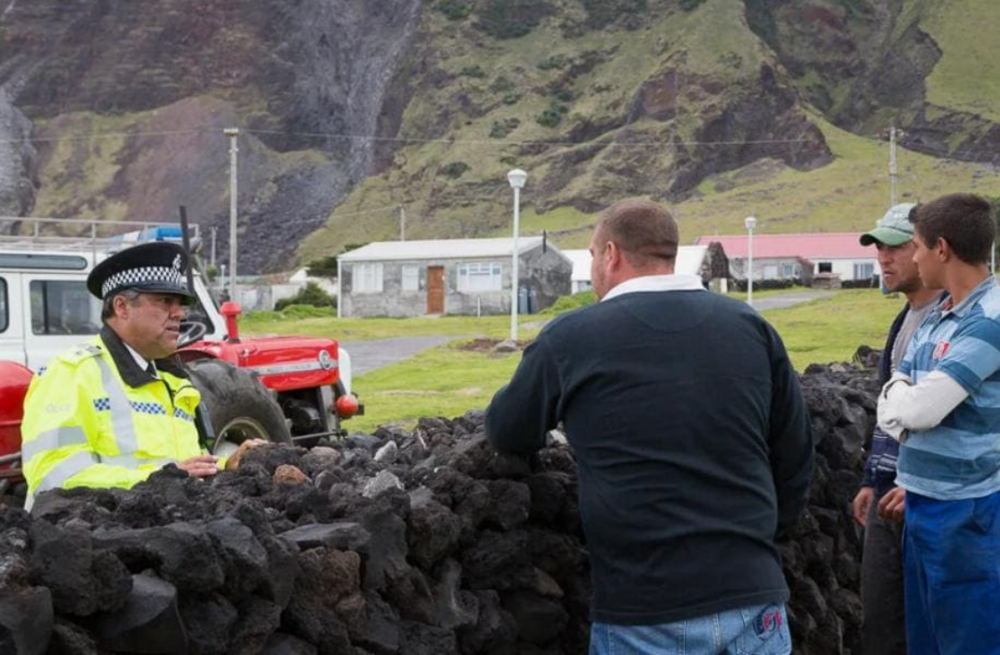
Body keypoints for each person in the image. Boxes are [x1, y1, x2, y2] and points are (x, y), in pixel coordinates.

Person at [485, 199, 814, 654]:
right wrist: (761, 539)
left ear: (611, 254)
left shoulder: (572, 337)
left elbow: (507, 429)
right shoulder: (750, 326)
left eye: (592, 255)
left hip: (644, 608)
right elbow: (795, 454)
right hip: (752, 594)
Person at [877, 193, 1000, 654]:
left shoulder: (989, 320)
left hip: (968, 511)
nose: (913, 257)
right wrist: (901, 400)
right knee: (926, 641)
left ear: (941, 249)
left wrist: (901, 400)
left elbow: (917, 411)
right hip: (922, 502)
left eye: (917, 246)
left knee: (971, 642)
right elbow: (899, 393)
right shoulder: (938, 317)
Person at [21, 242, 225, 511]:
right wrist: (159, 480)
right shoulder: (71, 373)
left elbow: (189, 468)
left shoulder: (174, 383)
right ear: (122, 307)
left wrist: (231, 465)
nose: (179, 313)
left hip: (165, 528)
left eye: (180, 303)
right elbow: (52, 476)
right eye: (165, 300)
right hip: (91, 531)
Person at [851, 203, 943, 655]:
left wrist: (920, 482)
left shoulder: (956, 322)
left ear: (929, 249)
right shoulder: (904, 319)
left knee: (932, 624)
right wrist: (874, 477)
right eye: (878, 248)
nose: (883, 258)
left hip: (930, 496)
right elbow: (890, 410)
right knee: (881, 623)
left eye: (896, 247)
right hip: (891, 492)